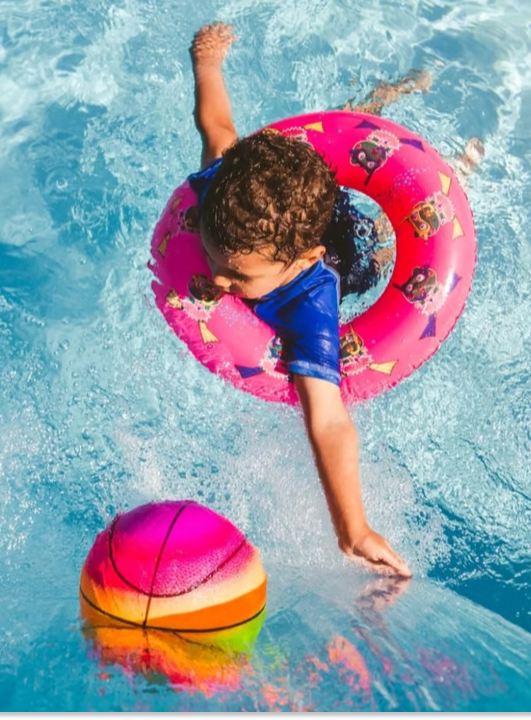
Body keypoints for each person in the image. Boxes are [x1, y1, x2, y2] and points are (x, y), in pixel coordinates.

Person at [187, 22, 428, 575]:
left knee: (383, 249)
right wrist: (207, 63)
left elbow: (328, 420)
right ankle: (381, 96)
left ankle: (445, 155)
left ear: (297, 264)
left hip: (348, 252)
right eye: (214, 258)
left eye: (237, 277)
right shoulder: (223, 200)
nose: (221, 282)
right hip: (294, 215)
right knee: (322, 164)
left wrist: (353, 529)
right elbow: (216, 123)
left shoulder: (311, 301)